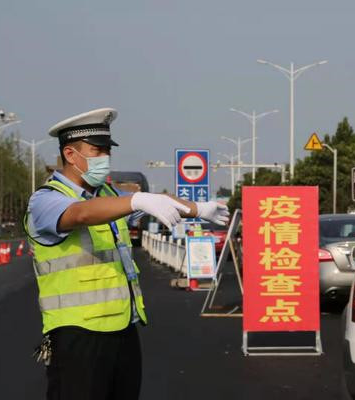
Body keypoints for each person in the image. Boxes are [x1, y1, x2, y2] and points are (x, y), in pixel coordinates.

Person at [24, 108, 229, 400]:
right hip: (76, 334)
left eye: (107, 151)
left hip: (122, 328)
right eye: (97, 151)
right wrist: (136, 200)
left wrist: (198, 209)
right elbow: (81, 214)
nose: (105, 158)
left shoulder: (108, 196)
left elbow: (155, 200)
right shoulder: (46, 200)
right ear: (70, 154)